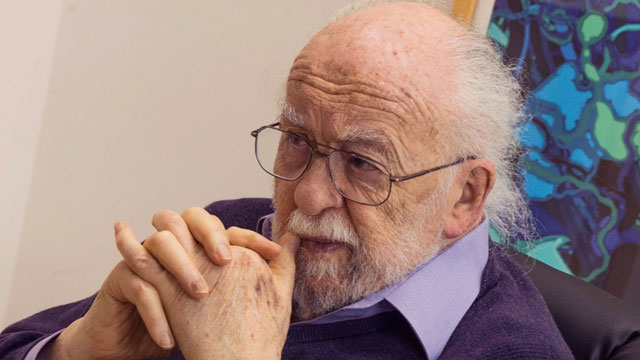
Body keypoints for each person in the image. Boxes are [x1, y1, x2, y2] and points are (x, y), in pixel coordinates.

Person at [1, 1, 574, 359]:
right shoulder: (241, 232)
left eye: (362, 164)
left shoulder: (509, 348)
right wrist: (78, 352)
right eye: (298, 140)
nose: (306, 195)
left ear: (465, 196)